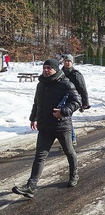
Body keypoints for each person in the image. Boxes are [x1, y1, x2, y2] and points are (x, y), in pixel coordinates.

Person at [12, 59, 82, 198]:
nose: (46, 70)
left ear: (56, 69)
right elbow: (37, 103)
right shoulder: (41, 84)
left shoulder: (66, 83)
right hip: (45, 126)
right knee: (40, 156)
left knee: (69, 151)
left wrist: (64, 111)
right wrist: (33, 118)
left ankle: (74, 175)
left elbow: (77, 101)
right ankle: (31, 186)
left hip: (62, 126)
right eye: (44, 67)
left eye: (49, 68)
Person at [62, 54, 90, 146]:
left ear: (72, 62)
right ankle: (66, 139)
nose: (67, 63)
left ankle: (72, 139)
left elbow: (82, 89)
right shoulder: (60, 72)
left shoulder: (76, 74)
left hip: (72, 100)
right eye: (66, 61)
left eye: (69, 61)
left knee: (67, 118)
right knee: (62, 119)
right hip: (61, 99)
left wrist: (85, 103)